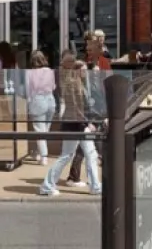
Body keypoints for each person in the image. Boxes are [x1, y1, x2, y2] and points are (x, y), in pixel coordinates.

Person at [40, 56, 104, 195]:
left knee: (90, 154)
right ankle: (47, 185)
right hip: (75, 124)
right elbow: (76, 106)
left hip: (77, 124)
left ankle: (95, 186)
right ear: (76, 71)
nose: (86, 73)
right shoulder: (74, 84)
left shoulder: (77, 83)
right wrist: (88, 123)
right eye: (83, 70)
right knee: (67, 156)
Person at [23, 50, 57, 163]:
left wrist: (28, 104)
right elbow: (53, 87)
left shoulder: (29, 73)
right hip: (50, 99)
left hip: (38, 100)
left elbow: (28, 90)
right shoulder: (49, 71)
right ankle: (37, 153)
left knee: (39, 130)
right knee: (45, 130)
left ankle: (43, 156)